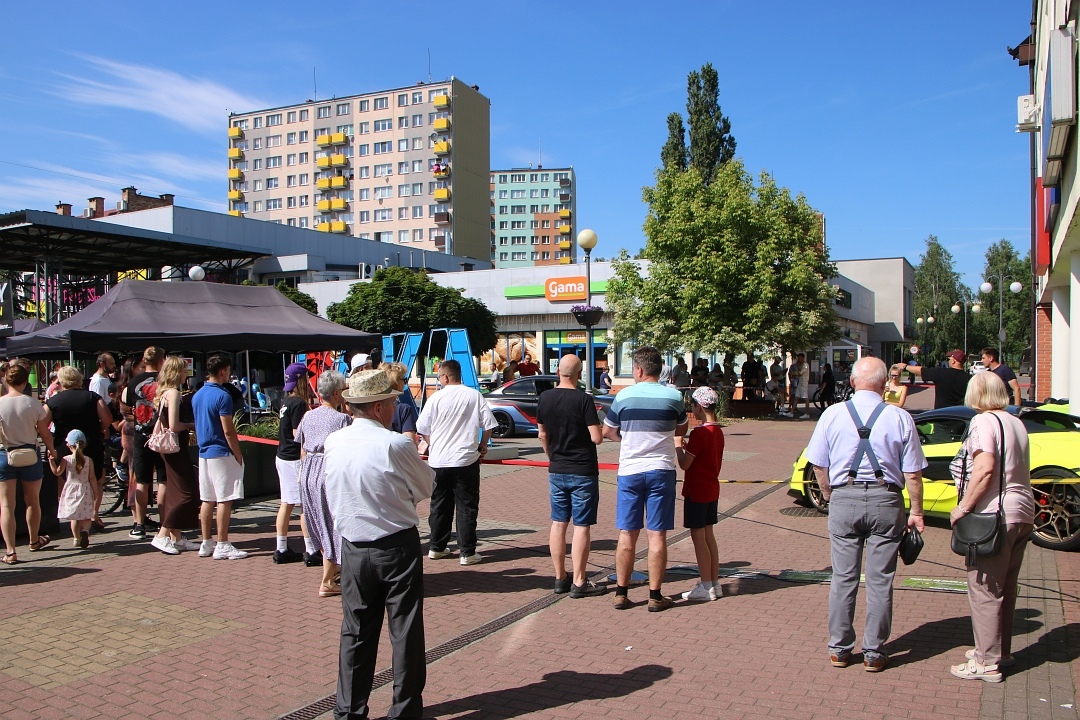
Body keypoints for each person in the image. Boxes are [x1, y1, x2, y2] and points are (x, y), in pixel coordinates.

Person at [324, 369, 434, 720]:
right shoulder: (394, 443)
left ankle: (349, 712)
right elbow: (425, 486)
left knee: (355, 631)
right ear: (376, 408)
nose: (393, 407)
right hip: (395, 544)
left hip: (353, 545)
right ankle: (404, 712)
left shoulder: (335, 441)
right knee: (404, 630)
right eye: (389, 401)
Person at [806, 357, 926, 672]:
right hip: (887, 501)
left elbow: (818, 462)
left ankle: (839, 649)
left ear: (854, 381)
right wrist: (917, 511)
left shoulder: (832, 414)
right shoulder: (900, 417)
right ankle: (873, 651)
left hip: (844, 497)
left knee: (843, 578)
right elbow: (912, 473)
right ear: (885, 384)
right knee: (880, 580)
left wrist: (831, 495)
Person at [948, 371, 1036, 682]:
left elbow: (984, 469)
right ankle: (999, 651)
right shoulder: (1015, 421)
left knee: (984, 588)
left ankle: (985, 662)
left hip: (995, 513)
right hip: (1023, 510)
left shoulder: (983, 422)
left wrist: (962, 507)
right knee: (1006, 587)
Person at [602, 346, 688, 612]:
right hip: (661, 470)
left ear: (638, 370)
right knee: (657, 534)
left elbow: (607, 431)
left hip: (630, 470)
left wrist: (626, 439)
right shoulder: (673, 397)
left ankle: (621, 592)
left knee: (627, 533)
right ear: (659, 368)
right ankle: (655, 595)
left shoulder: (624, 396)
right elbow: (682, 427)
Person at [416, 358, 498, 565]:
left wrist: (433, 444)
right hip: (465, 459)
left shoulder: (435, 398)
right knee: (466, 506)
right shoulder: (474, 395)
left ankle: (437, 547)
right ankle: (467, 552)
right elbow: (488, 424)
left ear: (445, 377)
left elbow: (422, 428)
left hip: (439, 460)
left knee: (439, 505)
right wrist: (483, 445)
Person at [537, 354, 606, 598]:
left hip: (557, 468)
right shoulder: (584, 399)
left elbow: (542, 434)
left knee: (558, 523)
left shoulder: (544, 397)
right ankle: (579, 580)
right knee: (581, 525)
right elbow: (596, 437)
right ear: (579, 375)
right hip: (583, 469)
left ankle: (559, 577)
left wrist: (551, 455)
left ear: (558, 373)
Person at [296, 369, 351, 595]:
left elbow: (301, 446)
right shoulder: (342, 419)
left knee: (318, 521)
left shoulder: (309, 415)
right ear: (337, 393)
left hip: (308, 471)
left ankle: (332, 573)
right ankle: (328, 580)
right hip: (327, 471)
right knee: (332, 523)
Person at [0, 363, 57, 564]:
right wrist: (52, 450)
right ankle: (34, 540)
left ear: (7, 380)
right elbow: (45, 434)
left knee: (7, 504)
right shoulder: (33, 404)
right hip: (30, 453)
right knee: (32, 500)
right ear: (25, 382)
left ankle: (10, 551)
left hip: (5, 454)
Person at [193, 353, 247, 560]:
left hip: (204, 451)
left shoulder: (198, 394)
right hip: (221, 451)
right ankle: (222, 543)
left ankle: (207, 542)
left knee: (207, 498)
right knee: (225, 498)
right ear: (223, 371)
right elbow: (228, 430)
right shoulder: (222, 395)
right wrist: (237, 453)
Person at [675, 386, 725, 602]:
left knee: (697, 537)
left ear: (699, 406)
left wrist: (678, 446)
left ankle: (705, 585)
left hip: (697, 490)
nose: (691, 410)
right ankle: (713, 582)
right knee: (708, 536)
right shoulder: (718, 430)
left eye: (692, 405)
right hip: (711, 488)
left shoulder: (699, 433)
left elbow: (685, 464)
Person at [47, 366, 111, 533]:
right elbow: (107, 418)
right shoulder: (92, 397)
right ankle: (94, 514)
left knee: (66, 480)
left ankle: (71, 513)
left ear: (61, 381)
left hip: (64, 445)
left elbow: (43, 423)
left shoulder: (54, 401)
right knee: (96, 479)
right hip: (90, 443)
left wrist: (49, 441)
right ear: (79, 379)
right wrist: (102, 429)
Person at [149, 357, 201, 555]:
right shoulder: (174, 393)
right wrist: (192, 425)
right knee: (187, 493)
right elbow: (174, 425)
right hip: (175, 447)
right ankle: (162, 534)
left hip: (168, 449)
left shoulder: (163, 393)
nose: (185, 374)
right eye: (183, 370)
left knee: (174, 491)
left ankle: (176, 537)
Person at [122, 346, 167, 539]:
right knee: (163, 480)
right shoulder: (164, 381)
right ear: (161, 361)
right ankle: (164, 523)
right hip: (161, 434)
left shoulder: (132, 382)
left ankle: (139, 524)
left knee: (142, 481)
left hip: (140, 435)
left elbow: (125, 402)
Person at [273, 362, 314, 564]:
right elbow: (298, 434)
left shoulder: (286, 401)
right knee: (304, 506)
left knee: (286, 503)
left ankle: (281, 547)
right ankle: (310, 549)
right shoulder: (298, 403)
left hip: (282, 455)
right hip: (294, 458)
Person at [51, 429, 95, 549]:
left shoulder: (66, 459)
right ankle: (85, 531)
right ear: (84, 444)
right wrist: (95, 492)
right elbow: (92, 478)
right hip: (85, 489)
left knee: (75, 517)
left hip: (71, 489)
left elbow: (57, 472)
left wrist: (51, 462)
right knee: (86, 516)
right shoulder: (89, 460)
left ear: (68, 445)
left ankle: (76, 539)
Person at [900, 349, 970, 409]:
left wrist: (905, 366)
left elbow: (921, 370)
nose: (949, 361)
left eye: (949, 359)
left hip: (941, 416)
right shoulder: (969, 378)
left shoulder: (941, 373)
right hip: (960, 416)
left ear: (953, 361)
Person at [385, 361, 418, 442]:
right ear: (396, 382)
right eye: (405, 380)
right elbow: (410, 443)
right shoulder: (404, 409)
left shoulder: (374, 406)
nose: (405, 383)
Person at [789, 353, 810, 418]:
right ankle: (791, 412)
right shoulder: (801, 365)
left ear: (803, 358)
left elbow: (800, 373)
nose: (799, 360)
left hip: (804, 383)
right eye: (798, 358)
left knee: (805, 398)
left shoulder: (805, 365)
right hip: (800, 382)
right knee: (796, 397)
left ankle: (807, 413)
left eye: (800, 358)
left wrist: (794, 373)